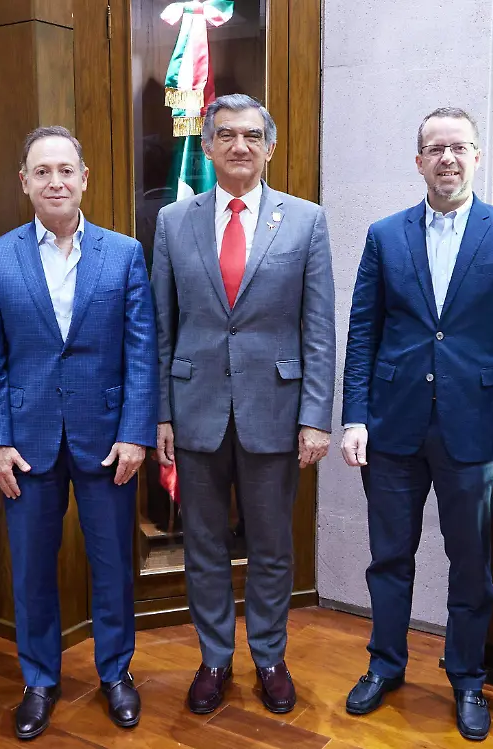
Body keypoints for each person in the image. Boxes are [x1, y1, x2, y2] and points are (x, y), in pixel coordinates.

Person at [340, 107, 493, 740]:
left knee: (471, 564)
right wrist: (354, 417)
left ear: (476, 156)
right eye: (435, 149)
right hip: (392, 427)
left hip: (476, 430)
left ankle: (467, 677)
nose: (447, 158)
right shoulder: (385, 234)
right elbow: (363, 332)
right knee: (388, 558)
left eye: (459, 147)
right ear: (419, 160)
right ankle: (385, 664)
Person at [0, 126, 157, 740]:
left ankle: (116, 673)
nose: (55, 181)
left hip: (107, 440)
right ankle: (39, 680)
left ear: (84, 179)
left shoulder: (123, 253)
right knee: (30, 571)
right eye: (42, 171)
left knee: (113, 565)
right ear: (24, 182)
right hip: (26, 444)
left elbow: (141, 351)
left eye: (65, 170)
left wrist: (135, 434)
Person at [151, 93, 336, 716]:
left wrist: (315, 417)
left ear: (270, 147)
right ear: (206, 145)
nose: (239, 145)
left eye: (252, 135)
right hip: (195, 408)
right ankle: (213, 659)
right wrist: (162, 413)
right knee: (202, 545)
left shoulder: (305, 221)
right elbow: (162, 325)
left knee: (272, 546)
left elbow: (319, 328)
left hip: (276, 412)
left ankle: (270, 657)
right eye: (226, 134)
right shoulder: (173, 221)